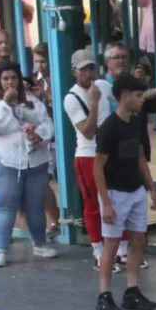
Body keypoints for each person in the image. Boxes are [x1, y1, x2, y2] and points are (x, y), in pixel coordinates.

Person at [0, 60, 56, 268]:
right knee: (5, 204)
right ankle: (0, 249)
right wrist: (5, 102)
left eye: (13, 78)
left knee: (35, 204)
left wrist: (39, 135)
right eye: (5, 79)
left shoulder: (31, 100)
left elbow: (47, 123)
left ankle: (39, 243)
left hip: (34, 159)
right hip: (4, 159)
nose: (10, 82)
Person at [93, 74, 155, 310]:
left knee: (138, 239)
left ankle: (132, 290)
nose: (142, 100)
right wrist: (106, 203)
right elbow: (97, 167)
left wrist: (151, 188)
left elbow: (140, 156)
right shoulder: (109, 128)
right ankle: (104, 294)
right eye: (139, 96)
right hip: (115, 192)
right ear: (125, 96)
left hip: (135, 189)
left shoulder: (135, 123)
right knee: (112, 243)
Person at [63, 51, 109, 249]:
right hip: (88, 155)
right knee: (93, 205)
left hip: (108, 152)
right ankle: (98, 251)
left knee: (113, 201)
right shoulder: (71, 98)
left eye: (92, 68)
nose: (90, 74)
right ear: (75, 72)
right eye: (84, 70)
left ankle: (119, 250)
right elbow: (88, 132)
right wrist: (94, 103)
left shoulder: (104, 86)